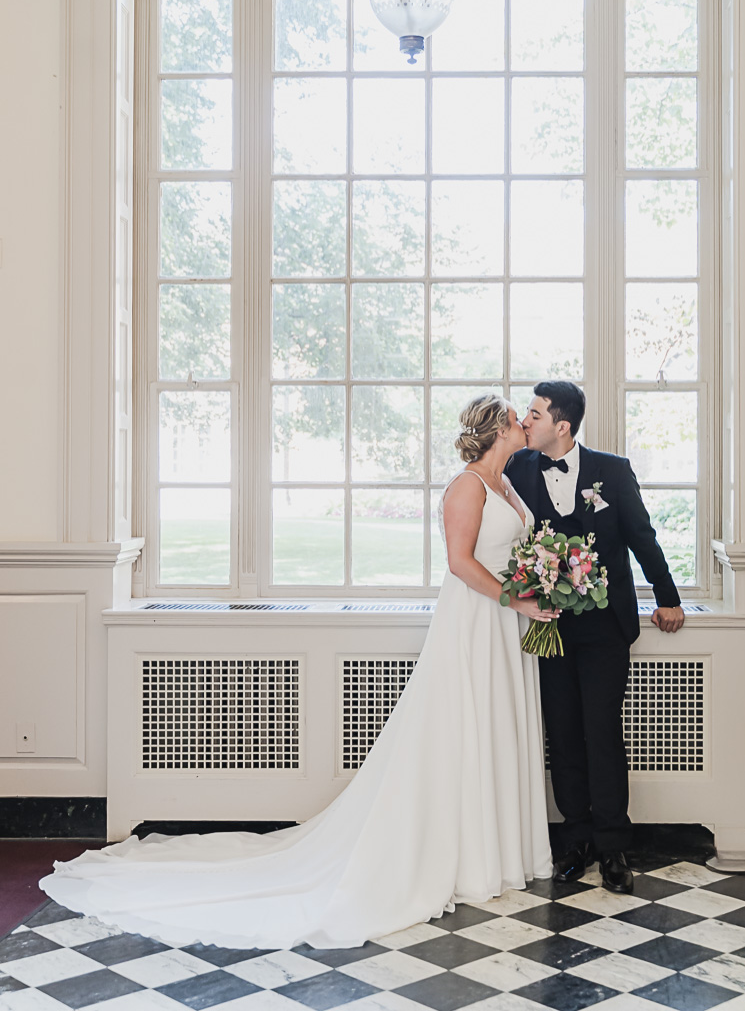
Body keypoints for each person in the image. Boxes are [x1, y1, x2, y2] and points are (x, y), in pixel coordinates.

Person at [39, 395, 556, 951]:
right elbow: (459, 562)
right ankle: (463, 856)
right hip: (477, 625)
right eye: (517, 417)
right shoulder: (468, 486)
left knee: (498, 730)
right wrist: (515, 599)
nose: (525, 423)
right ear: (499, 428)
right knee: (464, 734)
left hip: (508, 627)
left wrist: (534, 588)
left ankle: (501, 849)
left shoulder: (508, 483)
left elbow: (513, 548)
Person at [506, 380, 685, 896]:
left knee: (602, 732)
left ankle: (612, 847)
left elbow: (641, 537)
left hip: (606, 627)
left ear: (561, 425)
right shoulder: (518, 468)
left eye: (534, 414)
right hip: (548, 626)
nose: (526, 421)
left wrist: (667, 598)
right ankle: (575, 841)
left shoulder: (612, 470)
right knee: (561, 735)